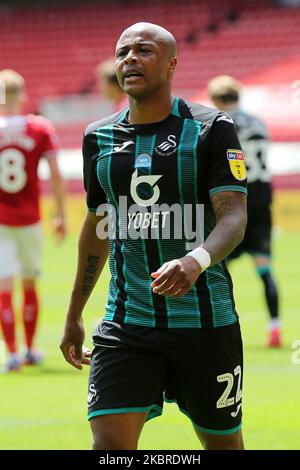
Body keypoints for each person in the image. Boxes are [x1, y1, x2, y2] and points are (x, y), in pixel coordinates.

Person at [60, 23, 247, 450]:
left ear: (172, 64)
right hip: (126, 323)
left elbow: (234, 217)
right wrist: (75, 312)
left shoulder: (211, 128)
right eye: (122, 51)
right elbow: (98, 225)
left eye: (143, 50)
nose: (129, 59)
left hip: (206, 324)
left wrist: (195, 260)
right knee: (109, 446)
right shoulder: (98, 137)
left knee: (223, 445)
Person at [0, 69, 66, 372]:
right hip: (29, 219)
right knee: (29, 283)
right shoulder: (39, 128)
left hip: (1, 221)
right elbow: (54, 173)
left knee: (4, 287)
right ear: (22, 95)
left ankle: (11, 354)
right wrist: (61, 214)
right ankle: (29, 349)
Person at [207, 75, 281, 348]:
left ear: (216, 99)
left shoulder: (222, 124)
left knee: (217, 268)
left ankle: (218, 327)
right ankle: (275, 328)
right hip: (263, 201)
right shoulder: (259, 122)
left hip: (236, 201)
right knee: (265, 270)